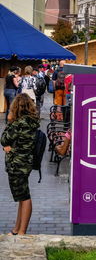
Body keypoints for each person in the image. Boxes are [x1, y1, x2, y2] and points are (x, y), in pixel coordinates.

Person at [1, 93, 39, 235]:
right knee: (22, 196)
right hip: (26, 162)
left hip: (17, 163)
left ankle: (22, 231)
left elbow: (4, 140)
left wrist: (9, 122)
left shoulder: (18, 123)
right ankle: (17, 229)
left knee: (24, 197)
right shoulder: (32, 122)